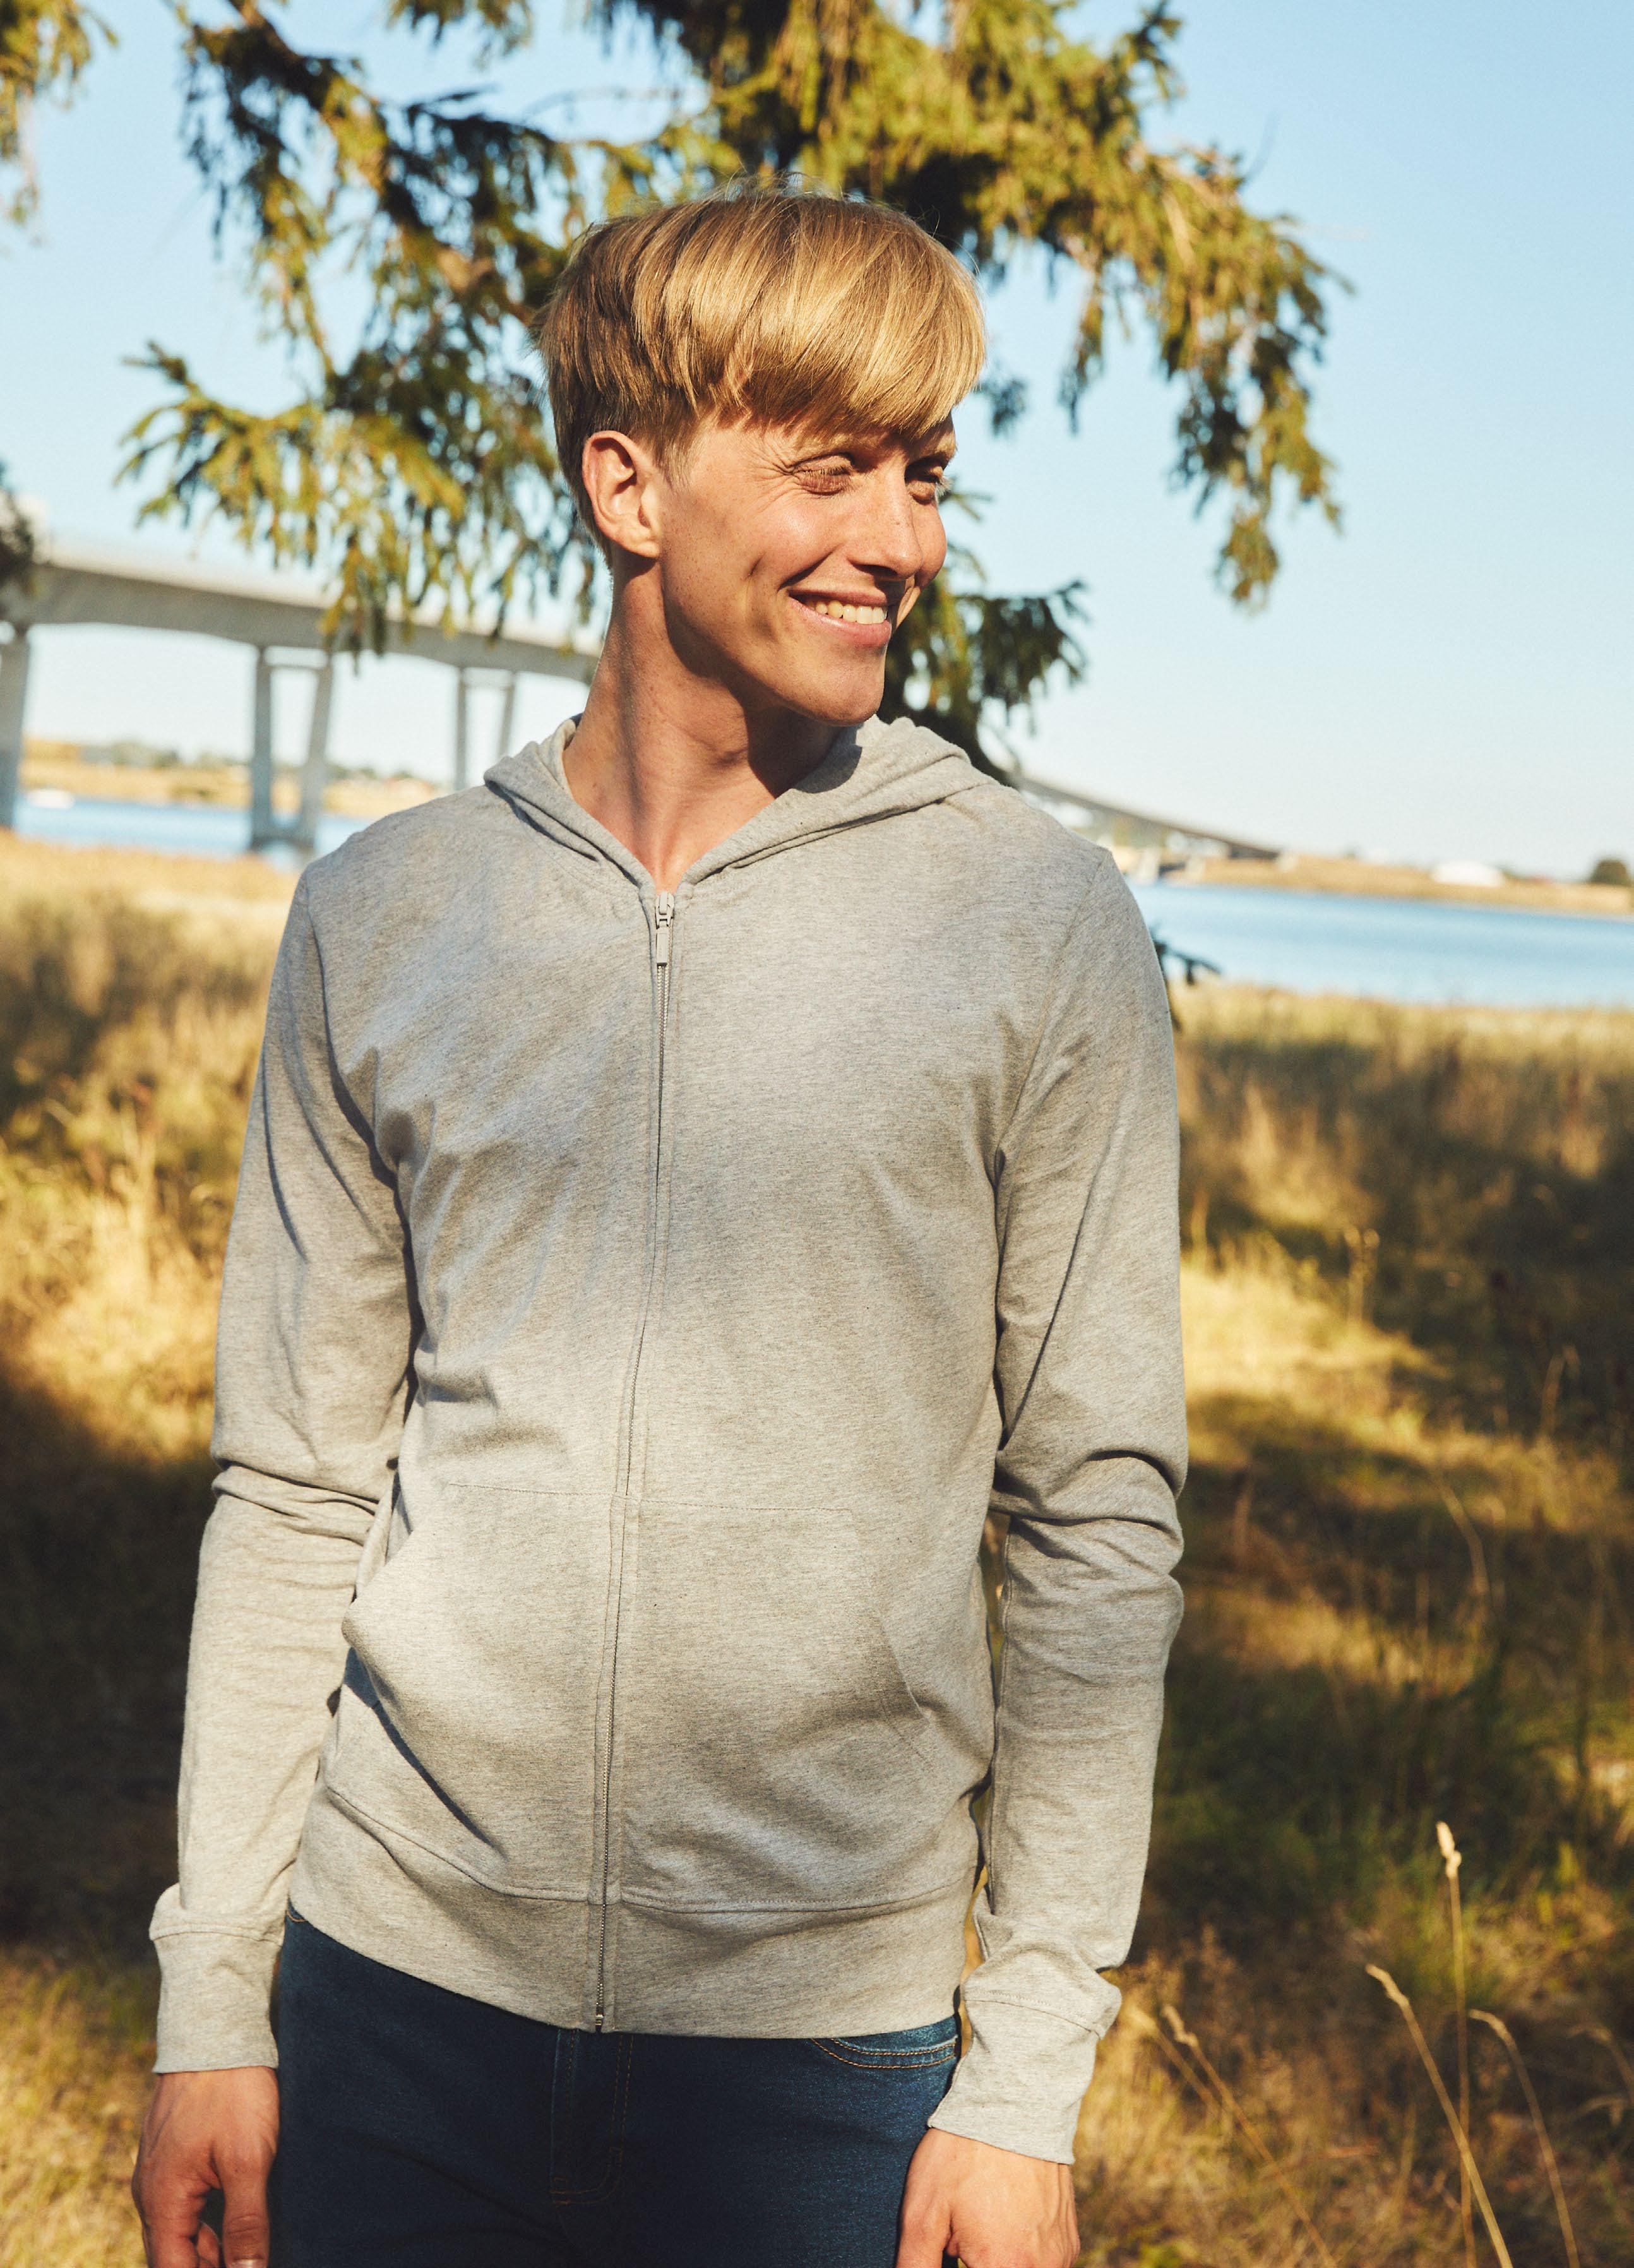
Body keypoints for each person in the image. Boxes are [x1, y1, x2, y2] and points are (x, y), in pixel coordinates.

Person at [131, 186, 1186, 2268]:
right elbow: (296, 1485)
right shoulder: (386, 917)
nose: (900, 540)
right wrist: (213, 2000)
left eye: (922, 475)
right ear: (627, 485)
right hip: (387, 2003)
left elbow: (1095, 1517)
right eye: (831, 468)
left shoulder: (1033, 921)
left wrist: (1025, 2081)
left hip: (822, 2058)